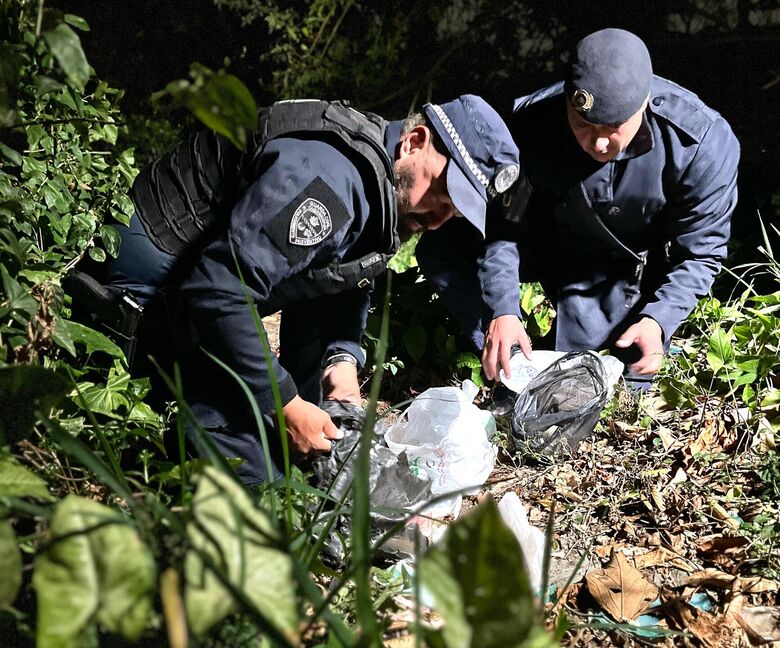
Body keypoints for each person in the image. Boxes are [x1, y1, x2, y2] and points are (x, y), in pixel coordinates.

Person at [70, 95, 520, 484]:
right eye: (443, 192)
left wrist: (341, 360)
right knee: (266, 479)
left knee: (317, 449)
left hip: (201, 285)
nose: (439, 218)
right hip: (144, 295)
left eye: (454, 212)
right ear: (415, 141)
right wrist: (283, 404)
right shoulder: (328, 180)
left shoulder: (380, 181)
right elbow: (219, 289)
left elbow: (342, 273)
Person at [416, 28, 740, 390]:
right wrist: (502, 309)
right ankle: (509, 356)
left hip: (632, 266)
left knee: (609, 384)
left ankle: (612, 341)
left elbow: (701, 254)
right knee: (441, 244)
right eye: (583, 124)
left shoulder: (702, 143)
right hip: (556, 240)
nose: (599, 142)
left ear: (644, 103)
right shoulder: (533, 122)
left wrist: (659, 319)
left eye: (614, 127)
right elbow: (504, 228)